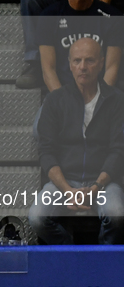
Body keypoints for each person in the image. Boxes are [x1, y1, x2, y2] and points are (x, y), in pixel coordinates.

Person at [29, 37, 124, 244]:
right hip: (64, 181)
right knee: (37, 217)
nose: (83, 67)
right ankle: (70, 254)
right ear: (70, 65)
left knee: (116, 214)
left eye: (89, 60)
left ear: (101, 63)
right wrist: (68, 190)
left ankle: (103, 256)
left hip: (104, 182)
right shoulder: (54, 101)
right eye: (77, 61)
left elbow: (118, 150)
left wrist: (95, 187)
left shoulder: (116, 100)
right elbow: (46, 152)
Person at [36, 0, 122, 92]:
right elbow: (48, 71)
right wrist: (66, 104)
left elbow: (112, 70)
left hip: (101, 97)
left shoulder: (113, 17)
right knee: (40, 115)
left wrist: (97, 105)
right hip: (62, 97)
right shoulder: (48, 16)